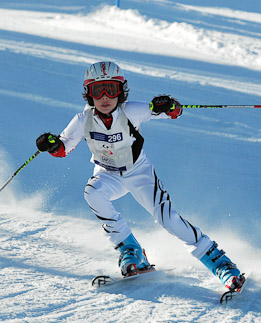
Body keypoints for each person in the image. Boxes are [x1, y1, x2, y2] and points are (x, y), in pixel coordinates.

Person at [36, 61, 245, 292]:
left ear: (121, 92)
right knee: (92, 192)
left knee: (167, 218)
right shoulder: (82, 120)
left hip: (139, 173)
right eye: (98, 91)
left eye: (111, 90)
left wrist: (168, 104)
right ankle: (130, 249)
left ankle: (220, 263)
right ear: (89, 94)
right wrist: (51, 144)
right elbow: (63, 149)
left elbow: (174, 113)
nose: (105, 97)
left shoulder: (131, 111)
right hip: (108, 175)